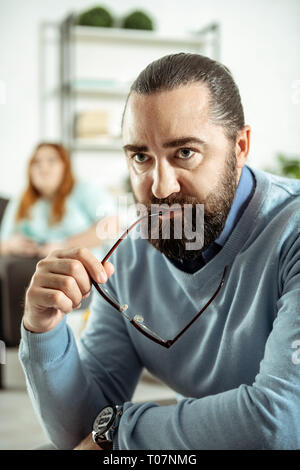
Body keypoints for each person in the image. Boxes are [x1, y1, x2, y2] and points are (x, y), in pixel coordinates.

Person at [19, 53, 300, 450]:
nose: (160, 187)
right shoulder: (130, 253)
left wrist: (121, 429)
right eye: (141, 157)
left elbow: (282, 422)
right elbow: (80, 432)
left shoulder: (293, 232)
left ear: (240, 146)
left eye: (184, 152)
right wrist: (43, 329)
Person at [0, 142, 117, 259]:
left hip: (81, 267)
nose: (43, 166)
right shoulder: (21, 199)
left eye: (52, 160)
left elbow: (112, 226)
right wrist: (11, 245)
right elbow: (3, 243)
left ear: (65, 167)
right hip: (33, 267)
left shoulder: (84, 190)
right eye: (36, 162)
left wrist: (65, 245)